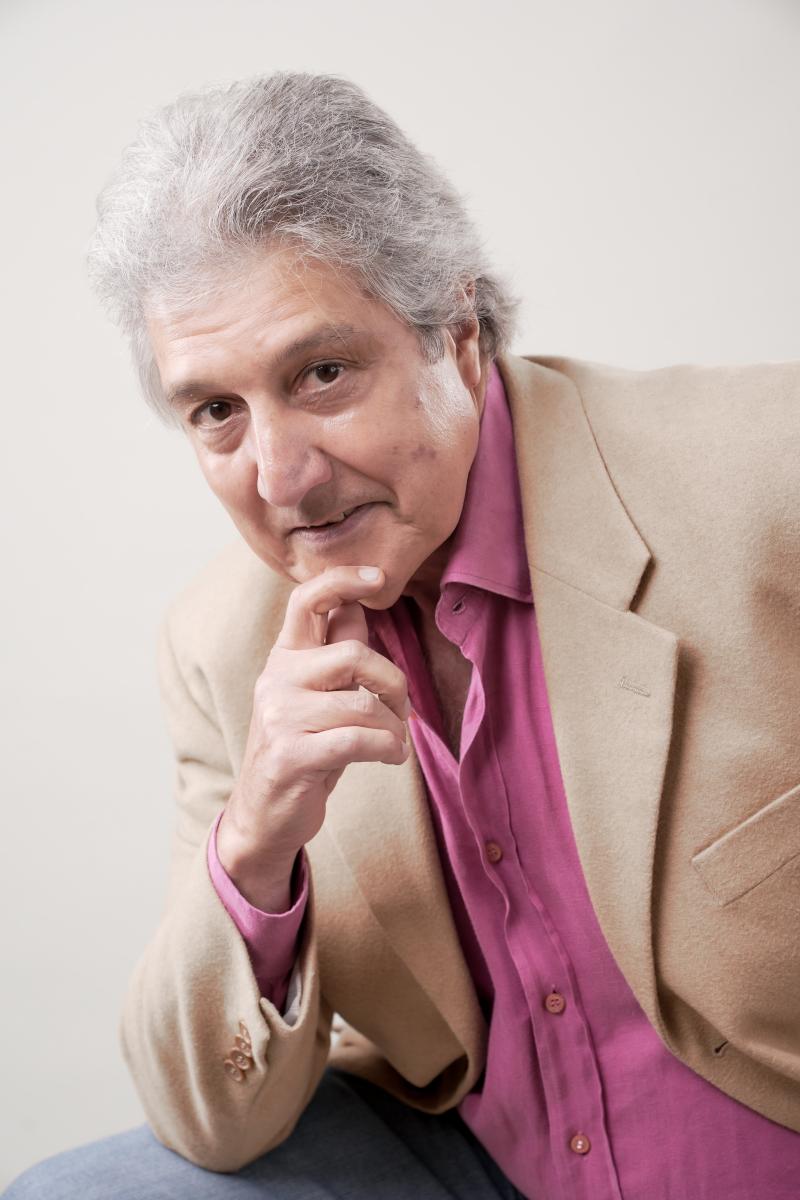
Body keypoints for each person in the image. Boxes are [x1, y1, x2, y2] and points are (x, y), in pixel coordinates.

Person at [5, 71, 799, 1200]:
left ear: (456, 336)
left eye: (322, 374)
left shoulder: (767, 476)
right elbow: (205, 1120)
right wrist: (256, 840)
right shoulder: (222, 646)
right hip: (485, 1166)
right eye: (216, 412)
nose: (280, 477)